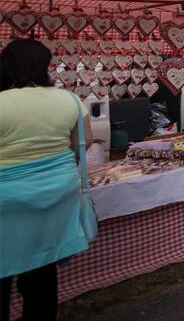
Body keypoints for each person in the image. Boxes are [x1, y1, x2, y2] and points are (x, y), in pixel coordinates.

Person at [1, 39, 95, 321]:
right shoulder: (68, 100)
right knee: (42, 271)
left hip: (7, 198)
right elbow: (85, 142)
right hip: (57, 193)